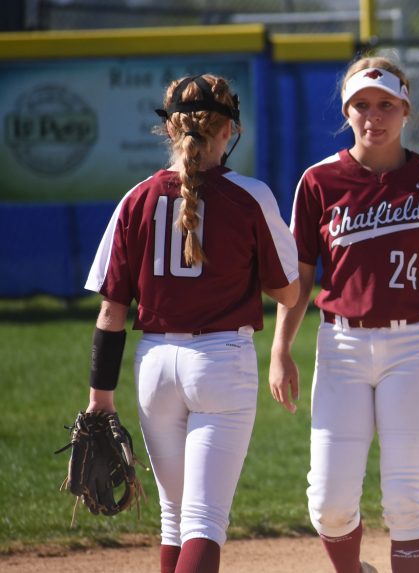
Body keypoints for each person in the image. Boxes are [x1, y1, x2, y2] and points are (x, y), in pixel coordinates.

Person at [83, 74, 300, 573]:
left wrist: (100, 399)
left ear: (170, 129)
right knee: (203, 520)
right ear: (230, 130)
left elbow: (111, 312)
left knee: (174, 519)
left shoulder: (137, 198)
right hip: (221, 362)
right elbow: (287, 290)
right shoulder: (250, 196)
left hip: (154, 366)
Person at [269, 54, 419, 573]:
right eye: (361, 105)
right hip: (341, 346)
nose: (373, 116)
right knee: (330, 504)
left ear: (405, 111)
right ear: (346, 111)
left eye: (385, 105)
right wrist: (280, 349)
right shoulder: (319, 182)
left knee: (406, 498)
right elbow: (302, 277)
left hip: (415, 346)